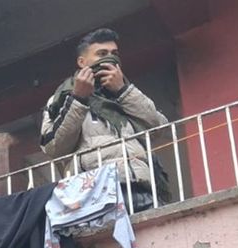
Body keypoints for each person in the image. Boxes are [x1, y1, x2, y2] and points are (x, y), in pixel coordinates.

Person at [40, 28, 168, 212]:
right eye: (101, 54)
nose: (110, 58)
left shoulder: (126, 93)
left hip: (141, 188)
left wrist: (123, 91)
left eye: (114, 54)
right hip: (95, 192)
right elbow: (53, 147)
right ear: (82, 62)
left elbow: (159, 128)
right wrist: (79, 100)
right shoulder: (60, 99)